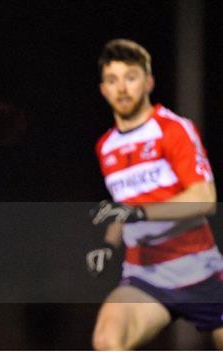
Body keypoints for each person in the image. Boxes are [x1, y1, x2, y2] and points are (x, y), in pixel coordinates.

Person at [87, 38, 223, 350]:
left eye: (130, 78)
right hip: (146, 277)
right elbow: (123, 208)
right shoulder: (105, 146)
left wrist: (140, 211)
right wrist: (107, 246)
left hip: (201, 271)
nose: (122, 88)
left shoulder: (174, 129)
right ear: (103, 89)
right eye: (112, 80)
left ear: (148, 82)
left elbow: (204, 198)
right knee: (107, 340)